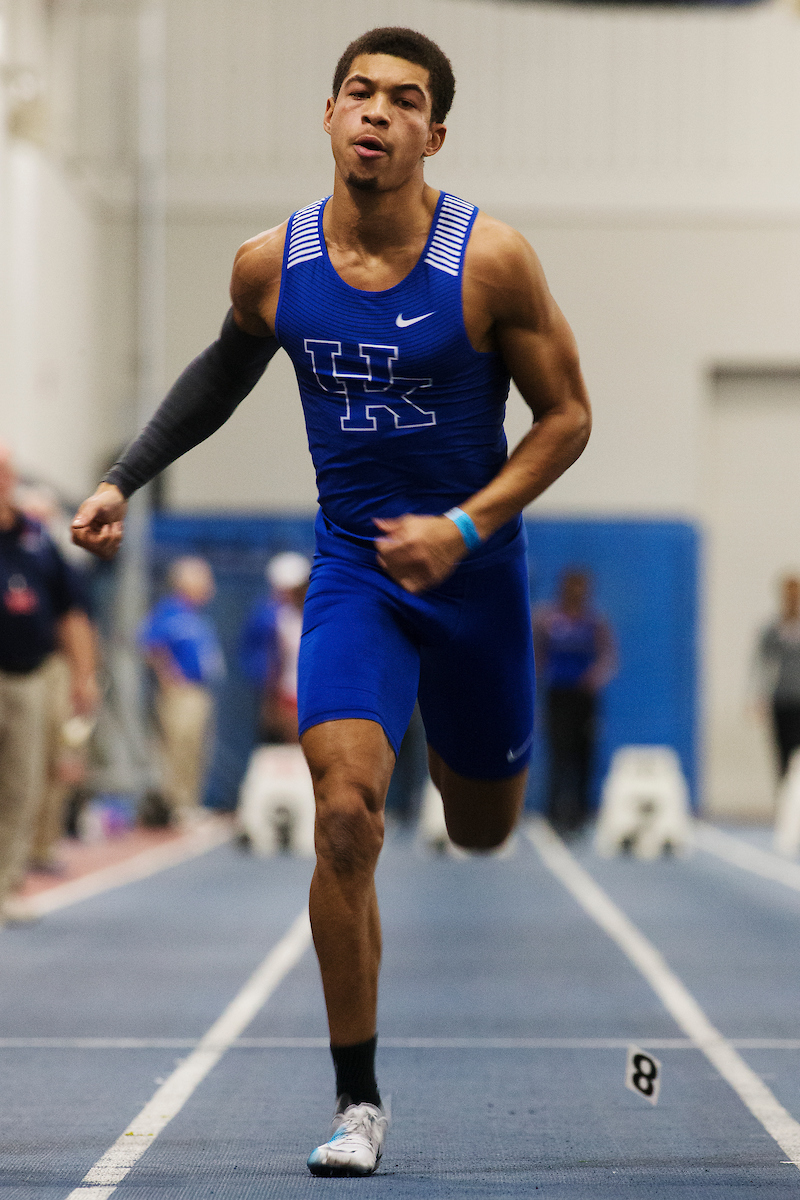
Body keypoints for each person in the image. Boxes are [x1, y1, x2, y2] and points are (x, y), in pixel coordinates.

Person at [71, 26, 591, 1176]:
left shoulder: (489, 262)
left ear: (432, 134)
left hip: (473, 577)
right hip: (356, 572)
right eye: (358, 93)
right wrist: (121, 477)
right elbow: (221, 369)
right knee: (345, 810)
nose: (375, 113)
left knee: (479, 825)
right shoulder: (273, 264)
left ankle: (468, 759)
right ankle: (358, 1101)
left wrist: (462, 526)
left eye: (402, 101)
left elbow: (566, 419)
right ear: (327, 115)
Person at [0, 444, 98, 920]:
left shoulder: (36, 540)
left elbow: (71, 611)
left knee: (23, 782)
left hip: (30, 676)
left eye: (5, 473)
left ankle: (6, 885)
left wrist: (84, 676)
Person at [138, 556, 224, 825]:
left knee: (196, 748)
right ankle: (176, 805)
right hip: (181, 693)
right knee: (179, 748)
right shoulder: (170, 611)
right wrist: (169, 677)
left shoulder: (195, 614)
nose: (211, 587)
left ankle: (189, 802)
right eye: (205, 580)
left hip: (199, 691)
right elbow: (149, 644)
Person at [533, 569, 617, 835]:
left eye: (581, 588)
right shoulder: (548, 619)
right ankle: (554, 811)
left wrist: (595, 676)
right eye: (572, 587)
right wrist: (541, 671)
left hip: (584, 697)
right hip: (558, 694)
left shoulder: (595, 621)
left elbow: (609, 656)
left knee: (584, 754)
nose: (576, 593)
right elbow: (536, 651)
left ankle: (580, 812)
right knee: (559, 752)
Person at [239, 552, 311, 744]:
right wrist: (270, 696)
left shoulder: (313, 615)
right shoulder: (269, 617)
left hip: (308, 698)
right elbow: (260, 659)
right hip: (282, 698)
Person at [755, 575, 800, 778]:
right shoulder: (773, 629)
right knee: (782, 749)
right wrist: (759, 694)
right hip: (782, 697)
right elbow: (760, 662)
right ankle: (784, 794)